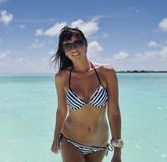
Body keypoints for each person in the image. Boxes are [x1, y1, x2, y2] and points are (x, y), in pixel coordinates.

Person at [50, 26, 123, 162]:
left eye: (77, 43)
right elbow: (61, 110)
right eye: (67, 46)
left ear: (86, 45)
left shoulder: (107, 72)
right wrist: (55, 138)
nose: (73, 49)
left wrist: (117, 151)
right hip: (70, 140)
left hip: (99, 145)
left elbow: (114, 112)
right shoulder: (62, 77)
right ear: (64, 52)